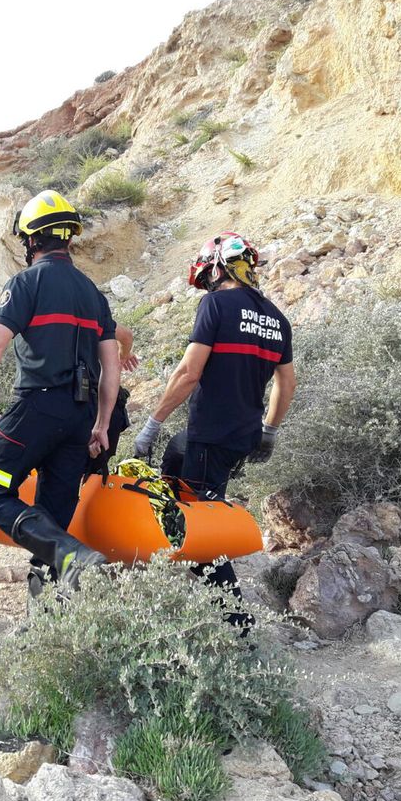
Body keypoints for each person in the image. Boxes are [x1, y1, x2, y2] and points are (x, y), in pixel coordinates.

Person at [0, 190, 118, 592]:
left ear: (31, 240)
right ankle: (46, 619)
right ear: (68, 239)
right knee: (53, 520)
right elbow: (111, 370)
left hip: (36, 411)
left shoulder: (25, 283)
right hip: (81, 418)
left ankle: (73, 555)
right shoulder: (94, 295)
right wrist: (102, 425)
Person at [132, 231, 296, 632]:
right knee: (174, 456)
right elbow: (286, 383)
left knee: (200, 528)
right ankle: (162, 551)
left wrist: (151, 425)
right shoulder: (277, 319)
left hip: (212, 433)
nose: (206, 285)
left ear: (219, 268)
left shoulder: (216, 304)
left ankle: (236, 620)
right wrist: (269, 432)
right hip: (242, 436)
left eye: (208, 277)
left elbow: (189, 373)